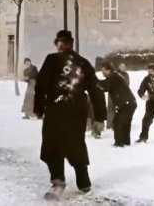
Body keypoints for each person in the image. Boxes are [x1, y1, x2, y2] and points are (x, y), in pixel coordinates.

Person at [34, 30, 106, 200]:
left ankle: (58, 181)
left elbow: (40, 85)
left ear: (61, 44)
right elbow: (96, 91)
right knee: (75, 143)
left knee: (53, 144)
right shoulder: (83, 63)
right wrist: (100, 116)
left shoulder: (52, 60)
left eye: (60, 43)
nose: (60, 46)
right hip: (76, 111)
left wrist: (38, 108)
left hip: (56, 110)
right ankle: (83, 182)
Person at [99, 62, 136, 147]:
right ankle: (126, 141)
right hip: (129, 103)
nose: (102, 73)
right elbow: (104, 84)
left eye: (103, 70)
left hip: (126, 104)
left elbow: (104, 87)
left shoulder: (113, 77)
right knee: (124, 122)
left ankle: (119, 143)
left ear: (108, 70)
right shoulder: (114, 76)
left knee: (118, 122)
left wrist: (93, 82)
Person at [136, 64, 154, 143]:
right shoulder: (146, 79)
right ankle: (143, 137)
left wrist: (150, 97)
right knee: (146, 120)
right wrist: (142, 95)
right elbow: (140, 89)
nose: (149, 71)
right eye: (149, 69)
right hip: (151, 104)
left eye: (151, 70)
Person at [106, 63, 130, 130]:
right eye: (122, 67)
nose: (123, 68)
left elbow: (127, 84)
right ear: (119, 67)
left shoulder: (126, 75)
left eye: (124, 67)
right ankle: (109, 125)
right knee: (111, 109)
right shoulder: (114, 73)